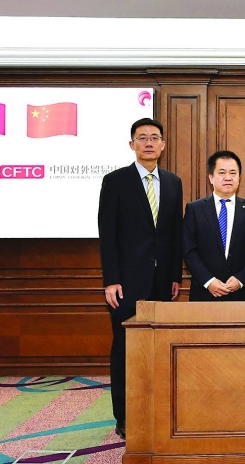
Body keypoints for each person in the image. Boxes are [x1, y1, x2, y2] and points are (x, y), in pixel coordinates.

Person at [97, 117, 183, 440]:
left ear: (163, 145)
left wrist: (174, 276)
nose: (149, 142)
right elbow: (107, 234)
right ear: (132, 144)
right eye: (142, 137)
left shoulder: (173, 182)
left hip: (162, 284)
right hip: (126, 284)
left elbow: (173, 234)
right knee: (125, 351)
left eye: (154, 137)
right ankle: (124, 417)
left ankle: (156, 411)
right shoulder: (115, 181)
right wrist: (111, 279)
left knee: (159, 351)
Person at [182, 150, 245, 301]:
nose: (228, 177)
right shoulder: (195, 209)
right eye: (221, 172)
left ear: (239, 178)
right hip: (203, 293)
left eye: (233, 173)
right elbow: (189, 250)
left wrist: (241, 279)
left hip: (239, 294)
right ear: (211, 177)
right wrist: (208, 281)